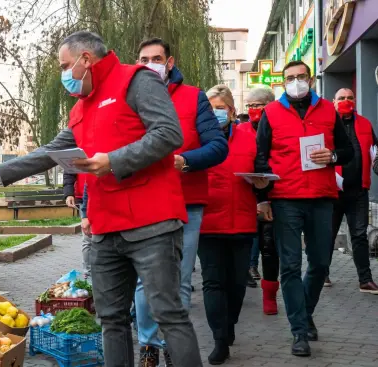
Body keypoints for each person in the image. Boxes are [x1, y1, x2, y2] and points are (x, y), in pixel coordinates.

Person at [0, 31, 203, 367]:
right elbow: (53, 151)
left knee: (169, 314)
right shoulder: (81, 108)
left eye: (65, 65)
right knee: (111, 319)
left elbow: (169, 134)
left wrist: (114, 160)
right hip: (106, 228)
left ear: (85, 59)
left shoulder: (136, 80)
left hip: (152, 224)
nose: (63, 74)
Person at [133, 37, 228, 367]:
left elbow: (217, 146)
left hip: (187, 201)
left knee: (180, 280)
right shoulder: (128, 99)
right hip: (144, 201)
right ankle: (148, 343)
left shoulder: (194, 98)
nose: (150, 64)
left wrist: (184, 160)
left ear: (170, 63)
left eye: (156, 58)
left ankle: (175, 344)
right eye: (143, 59)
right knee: (147, 280)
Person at [254, 60, 353, 357]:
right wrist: (264, 198)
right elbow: (260, 159)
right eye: (290, 78)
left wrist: (333, 155)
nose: (295, 81)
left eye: (301, 77)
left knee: (321, 263)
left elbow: (348, 151)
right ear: (283, 82)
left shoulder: (327, 110)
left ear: (310, 80)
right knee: (291, 266)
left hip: (322, 197)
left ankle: (305, 311)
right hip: (286, 198)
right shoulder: (271, 113)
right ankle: (299, 331)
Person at [197, 84, 267, 365]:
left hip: (241, 220)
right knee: (213, 282)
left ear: (232, 111)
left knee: (237, 283)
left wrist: (263, 187)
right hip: (208, 222)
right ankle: (219, 339)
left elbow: (262, 167)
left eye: (220, 108)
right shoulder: (197, 139)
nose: (216, 114)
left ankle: (230, 325)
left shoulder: (250, 135)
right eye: (210, 109)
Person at [328, 88, 378, 293]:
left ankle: (365, 280)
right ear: (333, 102)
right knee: (326, 235)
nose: (346, 101)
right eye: (341, 98)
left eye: (349, 98)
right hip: (331, 191)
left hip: (358, 190)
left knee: (359, 236)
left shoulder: (365, 123)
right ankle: (321, 274)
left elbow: (374, 151)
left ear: (355, 100)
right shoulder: (327, 125)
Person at [244, 87, 281, 315]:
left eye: (257, 105)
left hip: (271, 195)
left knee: (269, 245)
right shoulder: (241, 130)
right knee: (245, 244)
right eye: (250, 105)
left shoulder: (278, 129)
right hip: (244, 197)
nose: (253, 110)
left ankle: (270, 294)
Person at [63, 173, 92, 275]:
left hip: (104, 192)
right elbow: (69, 172)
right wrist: (69, 193)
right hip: (83, 197)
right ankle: (88, 274)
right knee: (88, 238)